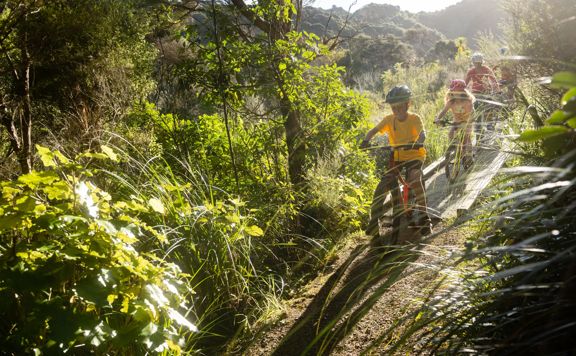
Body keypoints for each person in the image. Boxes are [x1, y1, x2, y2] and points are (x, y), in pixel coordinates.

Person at [360, 85, 432, 237]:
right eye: (394, 108)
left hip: (414, 155)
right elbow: (373, 130)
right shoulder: (388, 120)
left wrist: (419, 141)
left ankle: (425, 217)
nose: (397, 111)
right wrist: (366, 140)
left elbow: (422, 133)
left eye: (400, 107)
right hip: (397, 157)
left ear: (408, 104)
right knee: (384, 182)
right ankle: (374, 221)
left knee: (414, 178)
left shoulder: (414, 119)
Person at [434, 79, 475, 167]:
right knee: (450, 134)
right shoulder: (451, 102)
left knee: (466, 139)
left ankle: (469, 156)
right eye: (454, 91)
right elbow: (443, 111)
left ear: (463, 92)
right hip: (456, 122)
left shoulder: (467, 102)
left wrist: (468, 123)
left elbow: (471, 115)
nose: (456, 94)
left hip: (467, 121)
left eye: (458, 91)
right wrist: (438, 118)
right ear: (451, 92)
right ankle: (457, 149)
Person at [465, 52, 500, 132]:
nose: (476, 64)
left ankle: (488, 124)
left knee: (488, 107)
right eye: (476, 62)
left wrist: (497, 90)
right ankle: (480, 125)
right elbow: (465, 83)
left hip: (485, 92)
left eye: (478, 62)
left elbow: (493, 80)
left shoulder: (485, 69)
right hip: (477, 93)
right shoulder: (472, 71)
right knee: (479, 108)